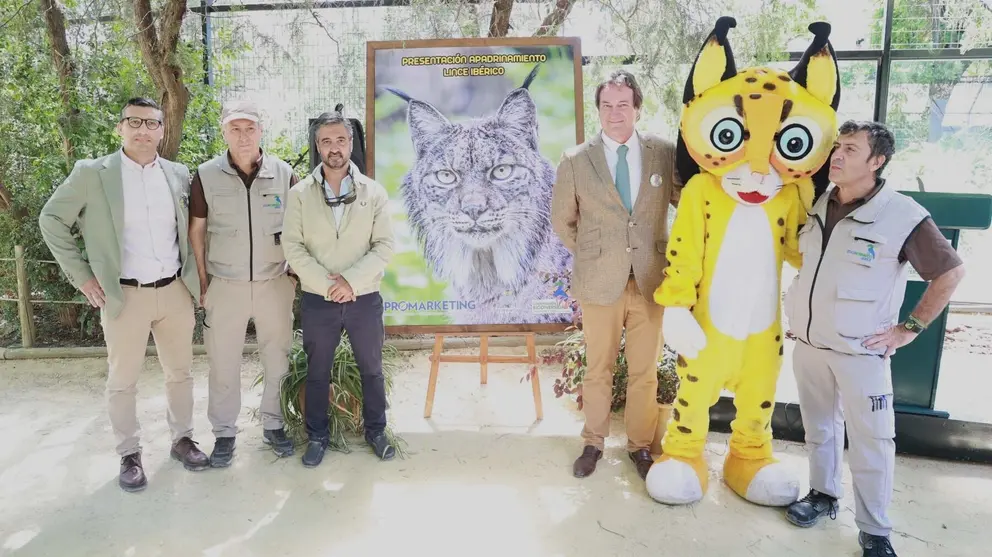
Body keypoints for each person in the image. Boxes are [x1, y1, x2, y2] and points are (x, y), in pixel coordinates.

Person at [783, 120, 965, 557]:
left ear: (877, 161)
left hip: (862, 352)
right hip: (809, 346)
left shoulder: (901, 214)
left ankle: (875, 529)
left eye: (850, 149)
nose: (837, 156)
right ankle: (823, 495)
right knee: (820, 430)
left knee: (873, 441)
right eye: (836, 148)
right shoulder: (817, 204)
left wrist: (909, 329)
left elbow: (950, 272)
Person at [38, 97, 208, 492]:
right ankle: (129, 453)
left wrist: (197, 283)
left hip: (174, 292)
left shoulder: (179, 174)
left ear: (163, 131)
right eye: (134, 122)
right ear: (120, 128)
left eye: (152, 123)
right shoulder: (91, 173)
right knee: (123, 379)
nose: (143, 130)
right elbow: (51, 219)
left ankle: (182, 439)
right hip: (123, 296)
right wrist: (82, 277)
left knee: (180, 373)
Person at [551, 69, 681, 480]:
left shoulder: (663, 151)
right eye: (607, 105)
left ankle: (640, 447)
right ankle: (593, 442)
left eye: (623, 104)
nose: (614, 113)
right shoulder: (575, 159)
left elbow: (685, 201)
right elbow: (562, 221)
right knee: (598, 367)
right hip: (598, 282)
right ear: (598, 110)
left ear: (637, 108)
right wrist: (594, 254)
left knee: (645, 370)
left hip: (650, 280)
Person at [188, 100, 299, 467]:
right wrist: (204, 282)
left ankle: (274, 423)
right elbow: (197, 232)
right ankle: (224, 432)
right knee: (222, 361)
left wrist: (295, 276)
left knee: (277, 355)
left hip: (274, 282)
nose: (243, 136)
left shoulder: (284, 174)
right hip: (225, 284)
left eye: (250, 128)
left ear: (261, 131)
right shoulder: (205, 175)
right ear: (224, 133)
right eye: (235, 129)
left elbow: (301, 229)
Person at [281, 111, 395, 467]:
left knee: (371, 368)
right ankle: (317, 436)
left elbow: (385, 246)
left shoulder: (373, 192)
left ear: (351, 144)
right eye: (326, 141)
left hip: (364, 298)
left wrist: (351, 282)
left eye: (341, 140)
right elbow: (293, 247)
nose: (334, 148)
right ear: (318, 146)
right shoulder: (300, 194)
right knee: (318, 370)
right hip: (319, 299)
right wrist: (327, 286)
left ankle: (376, 430)